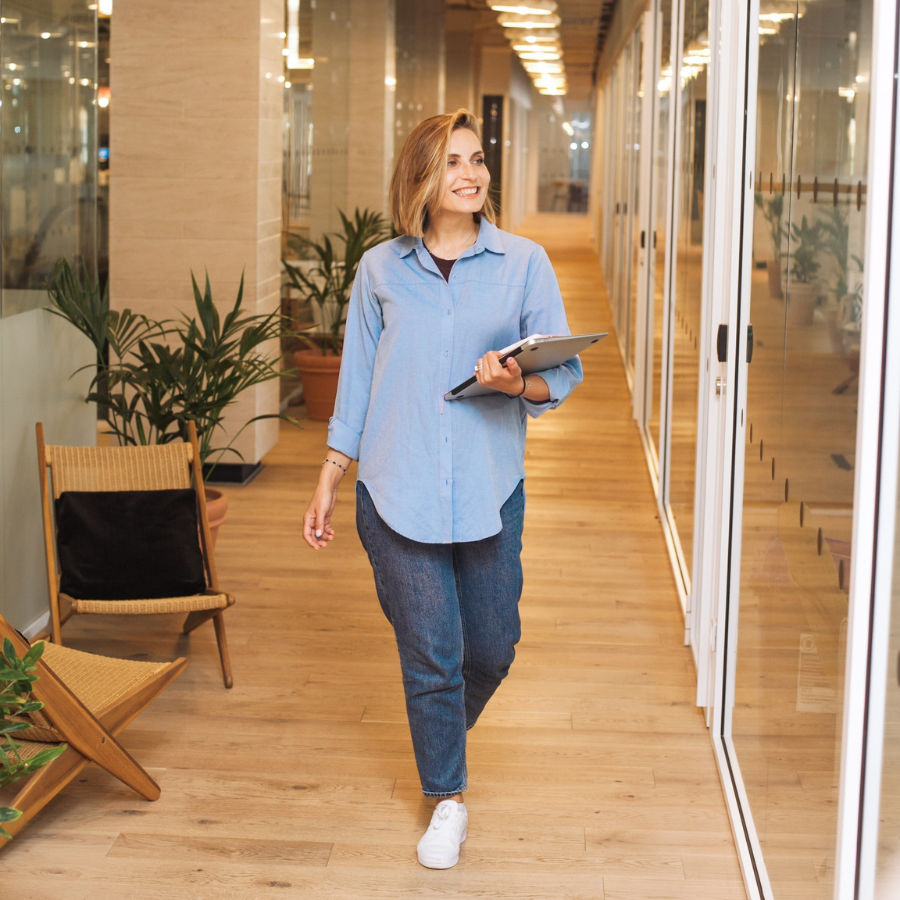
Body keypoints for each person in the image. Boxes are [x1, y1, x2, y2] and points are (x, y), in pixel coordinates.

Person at [302, 108, 583, 869]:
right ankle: (447, 799)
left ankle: (438, 741)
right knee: (433, 655)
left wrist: (518, 378)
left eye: (478, 159)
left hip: (491, 490)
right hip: (396, 491)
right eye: (453, 162)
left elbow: (563, 373)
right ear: (421, 179)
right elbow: (357, 381)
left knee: (491, 650)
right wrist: (331, 476)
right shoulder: (380, 270)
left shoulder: (524, 262)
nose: (471, 174)